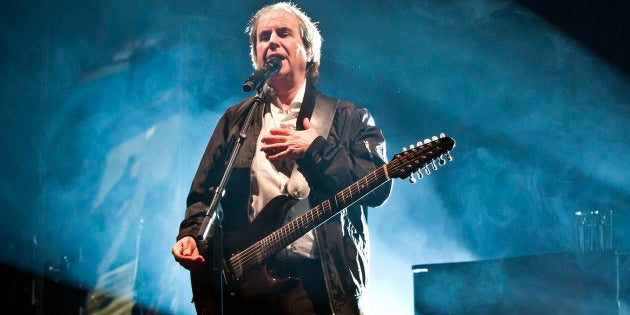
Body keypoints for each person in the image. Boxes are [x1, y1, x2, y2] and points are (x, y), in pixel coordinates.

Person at [171, 2, 392, 314]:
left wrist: (317, 150)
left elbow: (379, 187)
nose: (271, 41)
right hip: (246, 287)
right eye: (263, 37)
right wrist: (193, 237)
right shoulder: (237, 120)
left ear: (308, 51)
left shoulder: (349, 117)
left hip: (319, 285)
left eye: (284, 33)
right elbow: (205, 195)